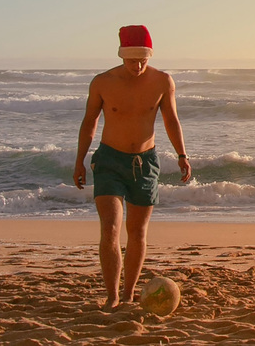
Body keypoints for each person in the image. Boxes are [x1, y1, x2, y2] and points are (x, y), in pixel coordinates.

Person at [73, 25, 192, 311]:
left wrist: (182, 154)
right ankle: (112, 296)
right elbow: (90, 122)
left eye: (143, 59)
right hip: (109, 161)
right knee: (110, 228)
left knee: (137, 232)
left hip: (145, 162)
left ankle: (128, 295)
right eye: (131, 59)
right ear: (121, 55)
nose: (138, 66)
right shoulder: (103, 82)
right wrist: (80, 159)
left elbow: (171, 120)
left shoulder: (163, 81)